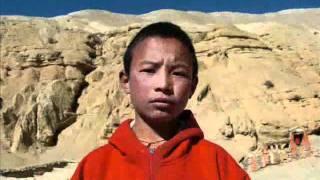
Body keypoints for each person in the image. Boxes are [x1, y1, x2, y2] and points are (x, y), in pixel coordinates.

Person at [71, 22, 250, 180]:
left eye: (178, 73)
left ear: (193, 87)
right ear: (126, 82)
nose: (164, 84)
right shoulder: (94, 167)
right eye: (149, 70)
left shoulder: (217, 163)